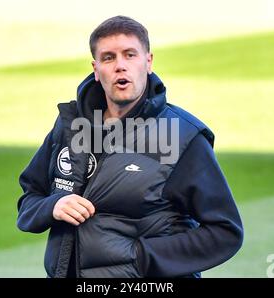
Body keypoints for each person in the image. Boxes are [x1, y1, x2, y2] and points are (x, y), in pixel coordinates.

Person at [16, 15, 243, 278]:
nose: (120, 66)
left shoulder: (180, 136)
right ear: (96, 69)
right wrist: (52, 207)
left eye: (130, 55)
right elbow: (29, 198)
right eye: (109, 58)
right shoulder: (71, 125)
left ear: (148, 62)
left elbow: (225, 232)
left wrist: (142, 258)